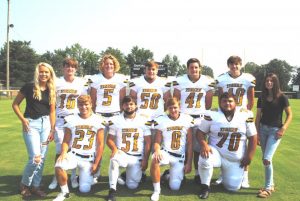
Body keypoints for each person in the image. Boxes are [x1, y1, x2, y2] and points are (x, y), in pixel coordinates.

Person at [117, 60, 169, 185]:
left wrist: (160, 114)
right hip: (142, 120)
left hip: (158, 120)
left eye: (153, 69)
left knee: (158, 147)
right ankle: (139, 172)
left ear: (157, 70)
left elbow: (167, 101)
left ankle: (158, 173)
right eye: (148, 69)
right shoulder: (137, 82)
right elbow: (133, 101)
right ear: (145, 70)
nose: (151, 72)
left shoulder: (163, 82)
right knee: (140, 146)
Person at [196, 92, 257, 199]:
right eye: (224, 101)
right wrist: (204, 144)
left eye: (230, 101)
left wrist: (249, 156)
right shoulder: (212, 114)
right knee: (205, 157)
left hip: (234, 159)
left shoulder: (246, 114)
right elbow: (200, 132)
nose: (227, 103)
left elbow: (253, 137)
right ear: (220, 102)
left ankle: (226, 175)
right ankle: (205, 186)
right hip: (216, 153)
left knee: (233, 187)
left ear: (235, 103)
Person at [12, 62, 56, 198]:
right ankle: (25, 184)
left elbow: (52, 111)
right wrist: (23, 120)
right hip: (31, 124)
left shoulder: (51, 89)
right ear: (38, 72)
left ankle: (35, 186)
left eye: (46, 72)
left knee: (42, 158)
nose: (43, 74)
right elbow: (15, 104)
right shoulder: (29, 86)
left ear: (50, 74)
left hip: (46, 125)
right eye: (41, 71)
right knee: (35, 158)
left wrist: (52, 129)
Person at [53, 95, 105, 201]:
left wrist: (96, 163)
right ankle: (65, 192)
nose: (83, 107)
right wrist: (63, 153)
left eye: (86, 104)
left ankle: (78, 178)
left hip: (88, 158)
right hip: (74, 155)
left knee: (84, 189)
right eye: (81, 105)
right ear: (77, 105)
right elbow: (66, 141)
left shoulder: (98, 120)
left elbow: (100, 144)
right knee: (59, 165)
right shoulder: (70, 119)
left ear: (91, 105)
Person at [215, 55, 256, 188]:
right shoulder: (222, 79)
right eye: (232, 64)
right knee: (224, 145)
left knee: (244, 145)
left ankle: (245, 176)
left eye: (237, 64)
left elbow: (251, 99)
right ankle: (223, 174)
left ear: (241, 65)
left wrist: (247, 112)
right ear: (229, 65)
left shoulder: (247, 78)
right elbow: (221, 97)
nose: (234, 66)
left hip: (241, 115)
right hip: (227, 112)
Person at [172, 58, 214, 184]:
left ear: (200, 68)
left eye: (196, 67)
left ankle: (197, 173)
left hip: (199, 118)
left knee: (198, 147)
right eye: (191, 67)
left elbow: (208, 103)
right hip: (185, 118)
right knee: (183, 147)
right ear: (187, 69)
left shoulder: (207, 81)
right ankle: (183, 171)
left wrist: (200, 113)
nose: (194, 69)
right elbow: (177, 99)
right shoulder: (180, 81)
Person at [49, 58, 88, 190]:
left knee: (74, 149)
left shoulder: (81, 83)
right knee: (60, 150)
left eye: (72, 67)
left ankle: (73, 177)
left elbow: (84, 102)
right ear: (63, 68)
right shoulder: (57, 82)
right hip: (61, 119)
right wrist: (52, 126)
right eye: (67, 66)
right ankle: (57, 176)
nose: (70, 69)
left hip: (75, 120)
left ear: (76, 69)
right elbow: (52, 106)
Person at [106, 96, 152, 201]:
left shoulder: (144, 120)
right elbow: (109, 139)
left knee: (132, 186)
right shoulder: (115, 120)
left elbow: (148, 141)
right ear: (122, 106)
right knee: (114, 161)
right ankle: (112, 190)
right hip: (122, 153)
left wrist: (145, 159)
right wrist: (114, 149)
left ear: (135, 105)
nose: (129, 106)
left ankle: (125, 175)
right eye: (126, 104)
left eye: (131, 104)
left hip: (136, 157)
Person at [90, 54, 127, 182]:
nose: (109, 66)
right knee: (97, 146)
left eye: (111, 64)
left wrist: (120, 115)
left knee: (118, 146)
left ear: (115, 65)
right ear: (102, 65)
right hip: (100, 115)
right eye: (106, 64)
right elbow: (92, 99)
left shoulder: (120, 79)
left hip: (115, 115)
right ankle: (96, 172)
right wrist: (94, 115)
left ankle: (117, 175)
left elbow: (122, 99)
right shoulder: (96, 79)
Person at [255, 73, 292, 198]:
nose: (269, 83)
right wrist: (257, 134)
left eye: (271, 81)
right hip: (263, 130)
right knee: (266, 160)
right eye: (267, 81)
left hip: (275, 132)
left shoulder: (282, 97)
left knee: (267, 159)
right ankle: (270, 184)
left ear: (275, 83)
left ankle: (267, 188)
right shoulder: (262, 97)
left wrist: (283, 128)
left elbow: (290, 115)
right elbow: (258, 116)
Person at [150, 98, 193, 201]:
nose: (173, 110)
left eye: (175, 107)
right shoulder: (161, 120)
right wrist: (157, 150)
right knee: (155, 158)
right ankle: (156, 190)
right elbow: (157, 141)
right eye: (170, 108)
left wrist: (189, 162)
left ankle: (167, 174)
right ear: (167, 109)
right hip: (166, 153)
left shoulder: (187, 119)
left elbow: (190, 143)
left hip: (179, 157)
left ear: (179, 107)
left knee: (175, 187)